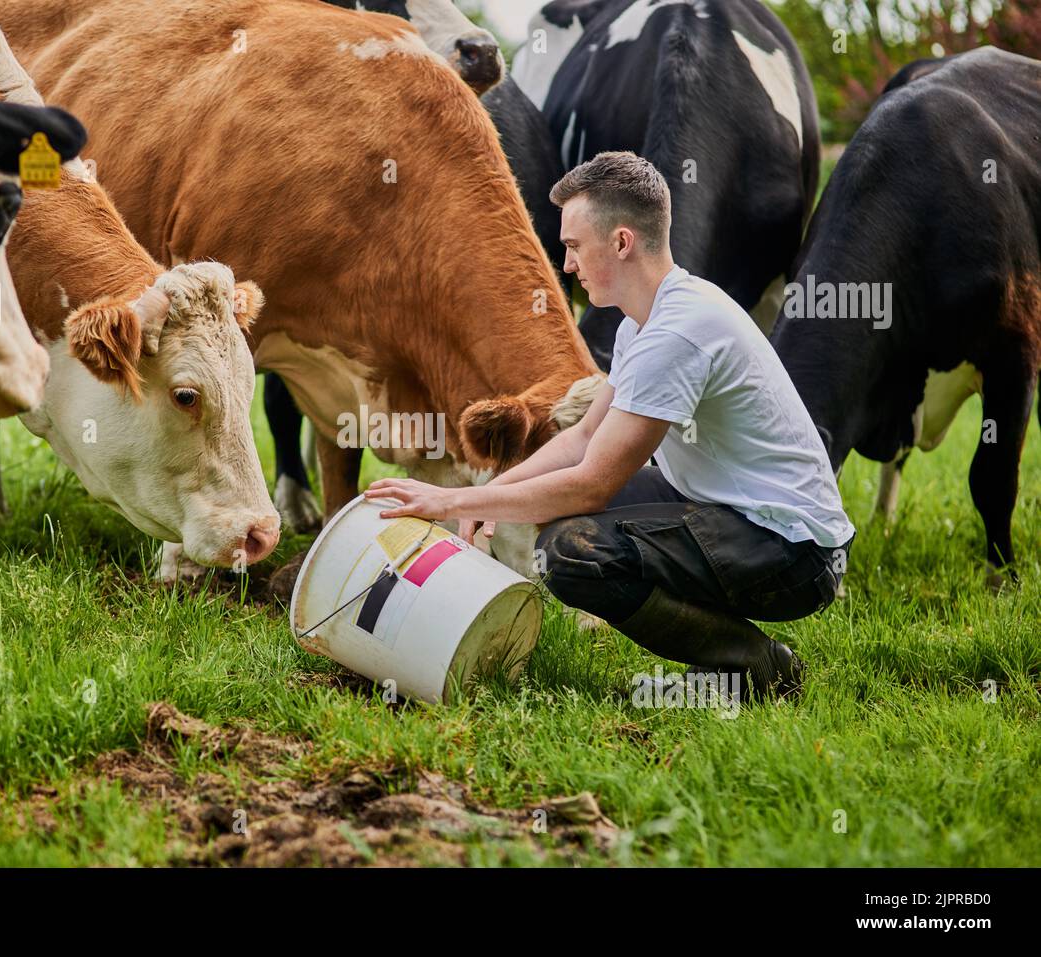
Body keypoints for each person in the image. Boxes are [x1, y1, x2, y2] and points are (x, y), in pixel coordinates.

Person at [364, 150, 855, 700]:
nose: (566, 264)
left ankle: (756, 666)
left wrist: (450, 503)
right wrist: (492, 492)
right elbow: (580, 439)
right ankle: (731, 648)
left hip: (793, 553)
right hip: (732, 510)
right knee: (568, 523)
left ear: (621, 243)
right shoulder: (645, 323)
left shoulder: (678, 332)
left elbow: (592, 483)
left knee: (570, 549)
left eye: (573, 247)